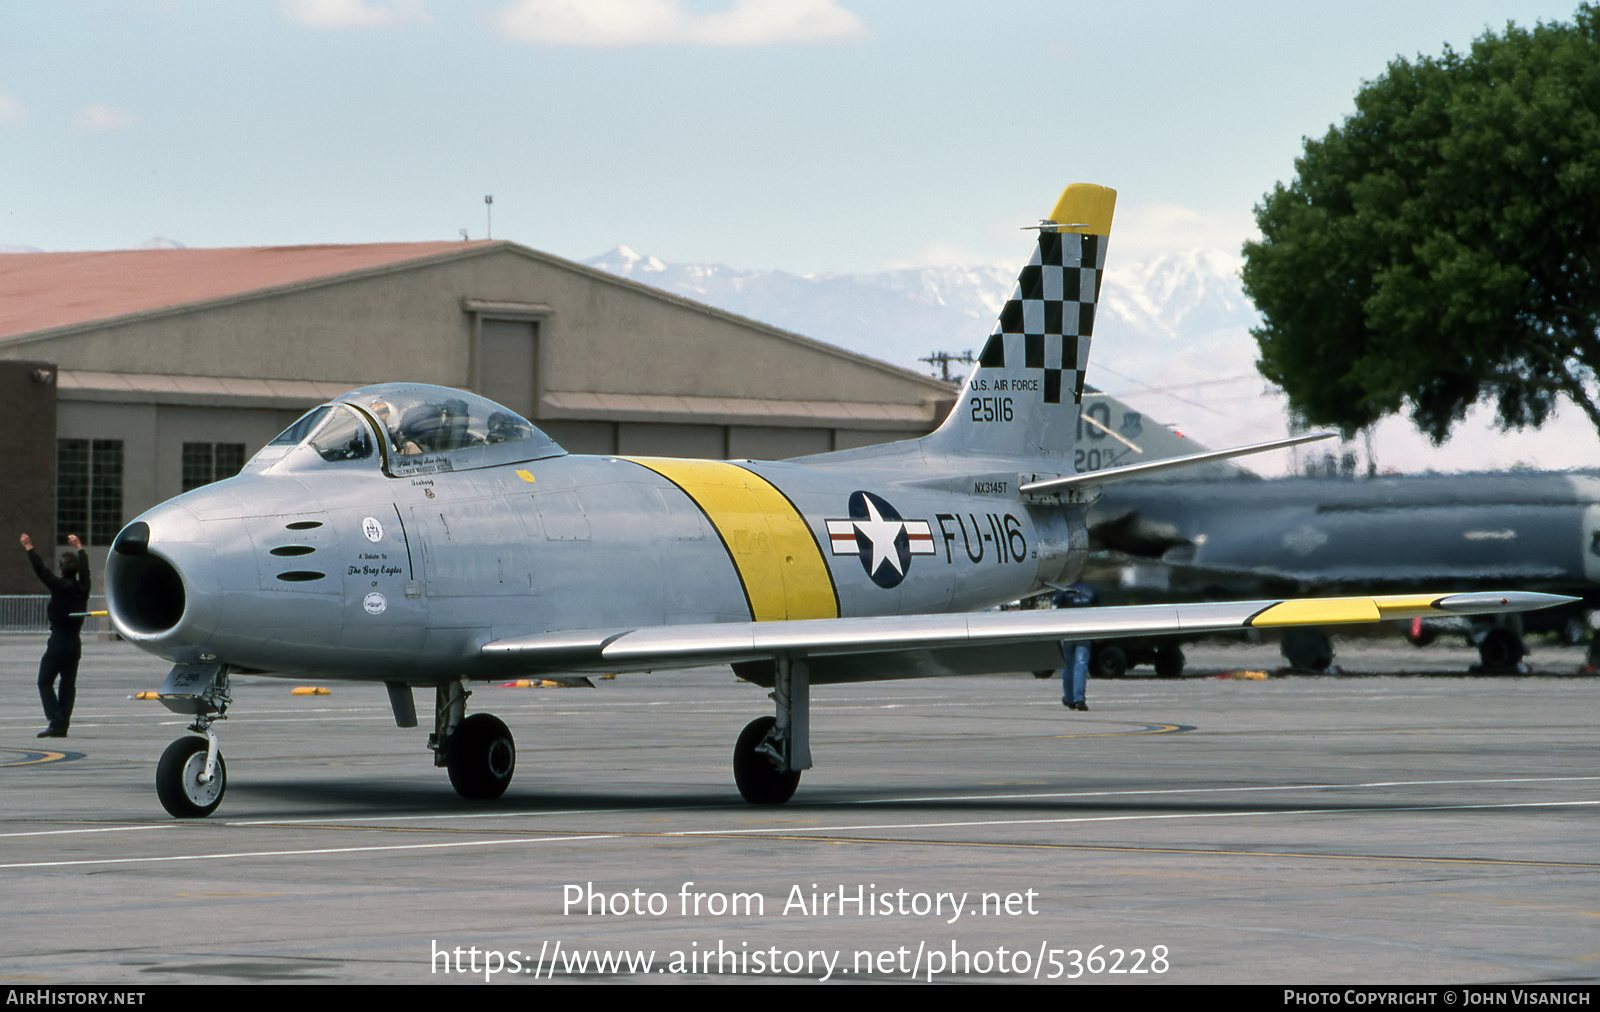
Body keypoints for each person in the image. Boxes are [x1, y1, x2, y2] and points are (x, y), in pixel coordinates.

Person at [21, 532, 90, 738]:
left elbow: (41, 571)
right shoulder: (83, 588)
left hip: (59, 639)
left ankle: (56, 720)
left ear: (61, 570)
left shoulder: (59, 586)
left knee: (45, 681)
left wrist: (29, 547)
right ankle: (63, 724)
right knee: (68, 684)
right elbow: (86, 573)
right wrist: (80, 548)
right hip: (75, 641)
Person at [1054, 583, 1099, 712]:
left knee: (1067, 665)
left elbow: (1056, 609)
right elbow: (1098, 611)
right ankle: (1079, 698)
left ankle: (1068, 698)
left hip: (1068, 631)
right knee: (1081, 664)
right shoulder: (1091, 590)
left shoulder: (1063, 590)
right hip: (1084, 631)